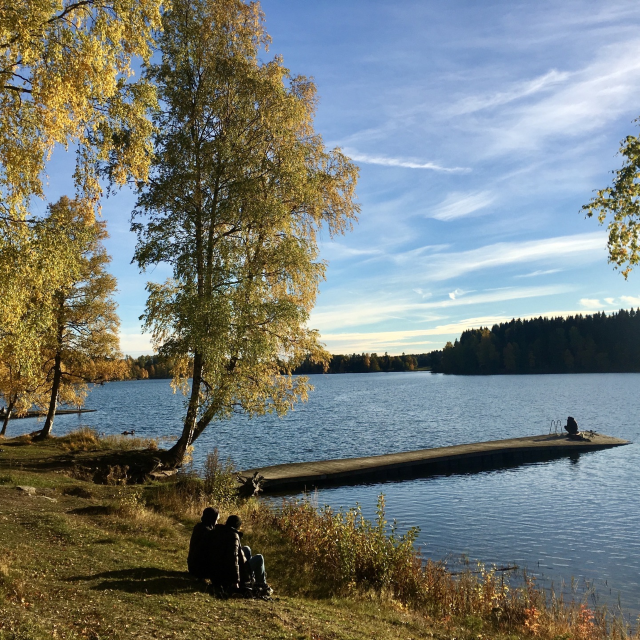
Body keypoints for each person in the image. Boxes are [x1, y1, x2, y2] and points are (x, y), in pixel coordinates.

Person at [187, 506, 219, 579]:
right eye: (216, 520)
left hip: (192, 566)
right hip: (201, 570)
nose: (217, 522)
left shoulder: (198, 527)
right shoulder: (208, 532)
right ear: (213, 519)